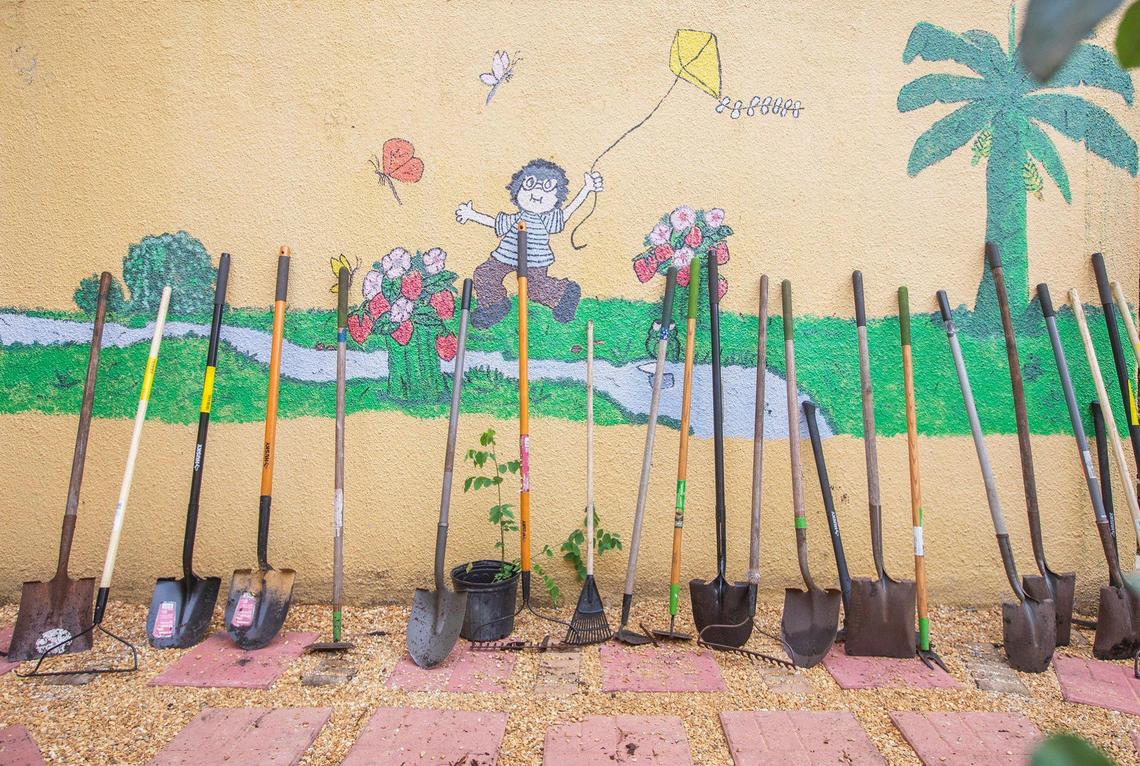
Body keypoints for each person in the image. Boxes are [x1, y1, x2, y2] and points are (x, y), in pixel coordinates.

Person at [456, 158, 603, 328]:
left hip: (535, 260)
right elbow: (494, 222)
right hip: (506, 255)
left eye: (547, 187)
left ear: (557, 197)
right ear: (517, 188)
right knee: (485, 274)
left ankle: (564, 294)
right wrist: (471, 214)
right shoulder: (516, 218)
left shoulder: (547, 220)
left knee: (534, 289)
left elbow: (567, 213)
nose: (537, 193)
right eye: (530, 184)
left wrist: (587, 189)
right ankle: (494, 305)